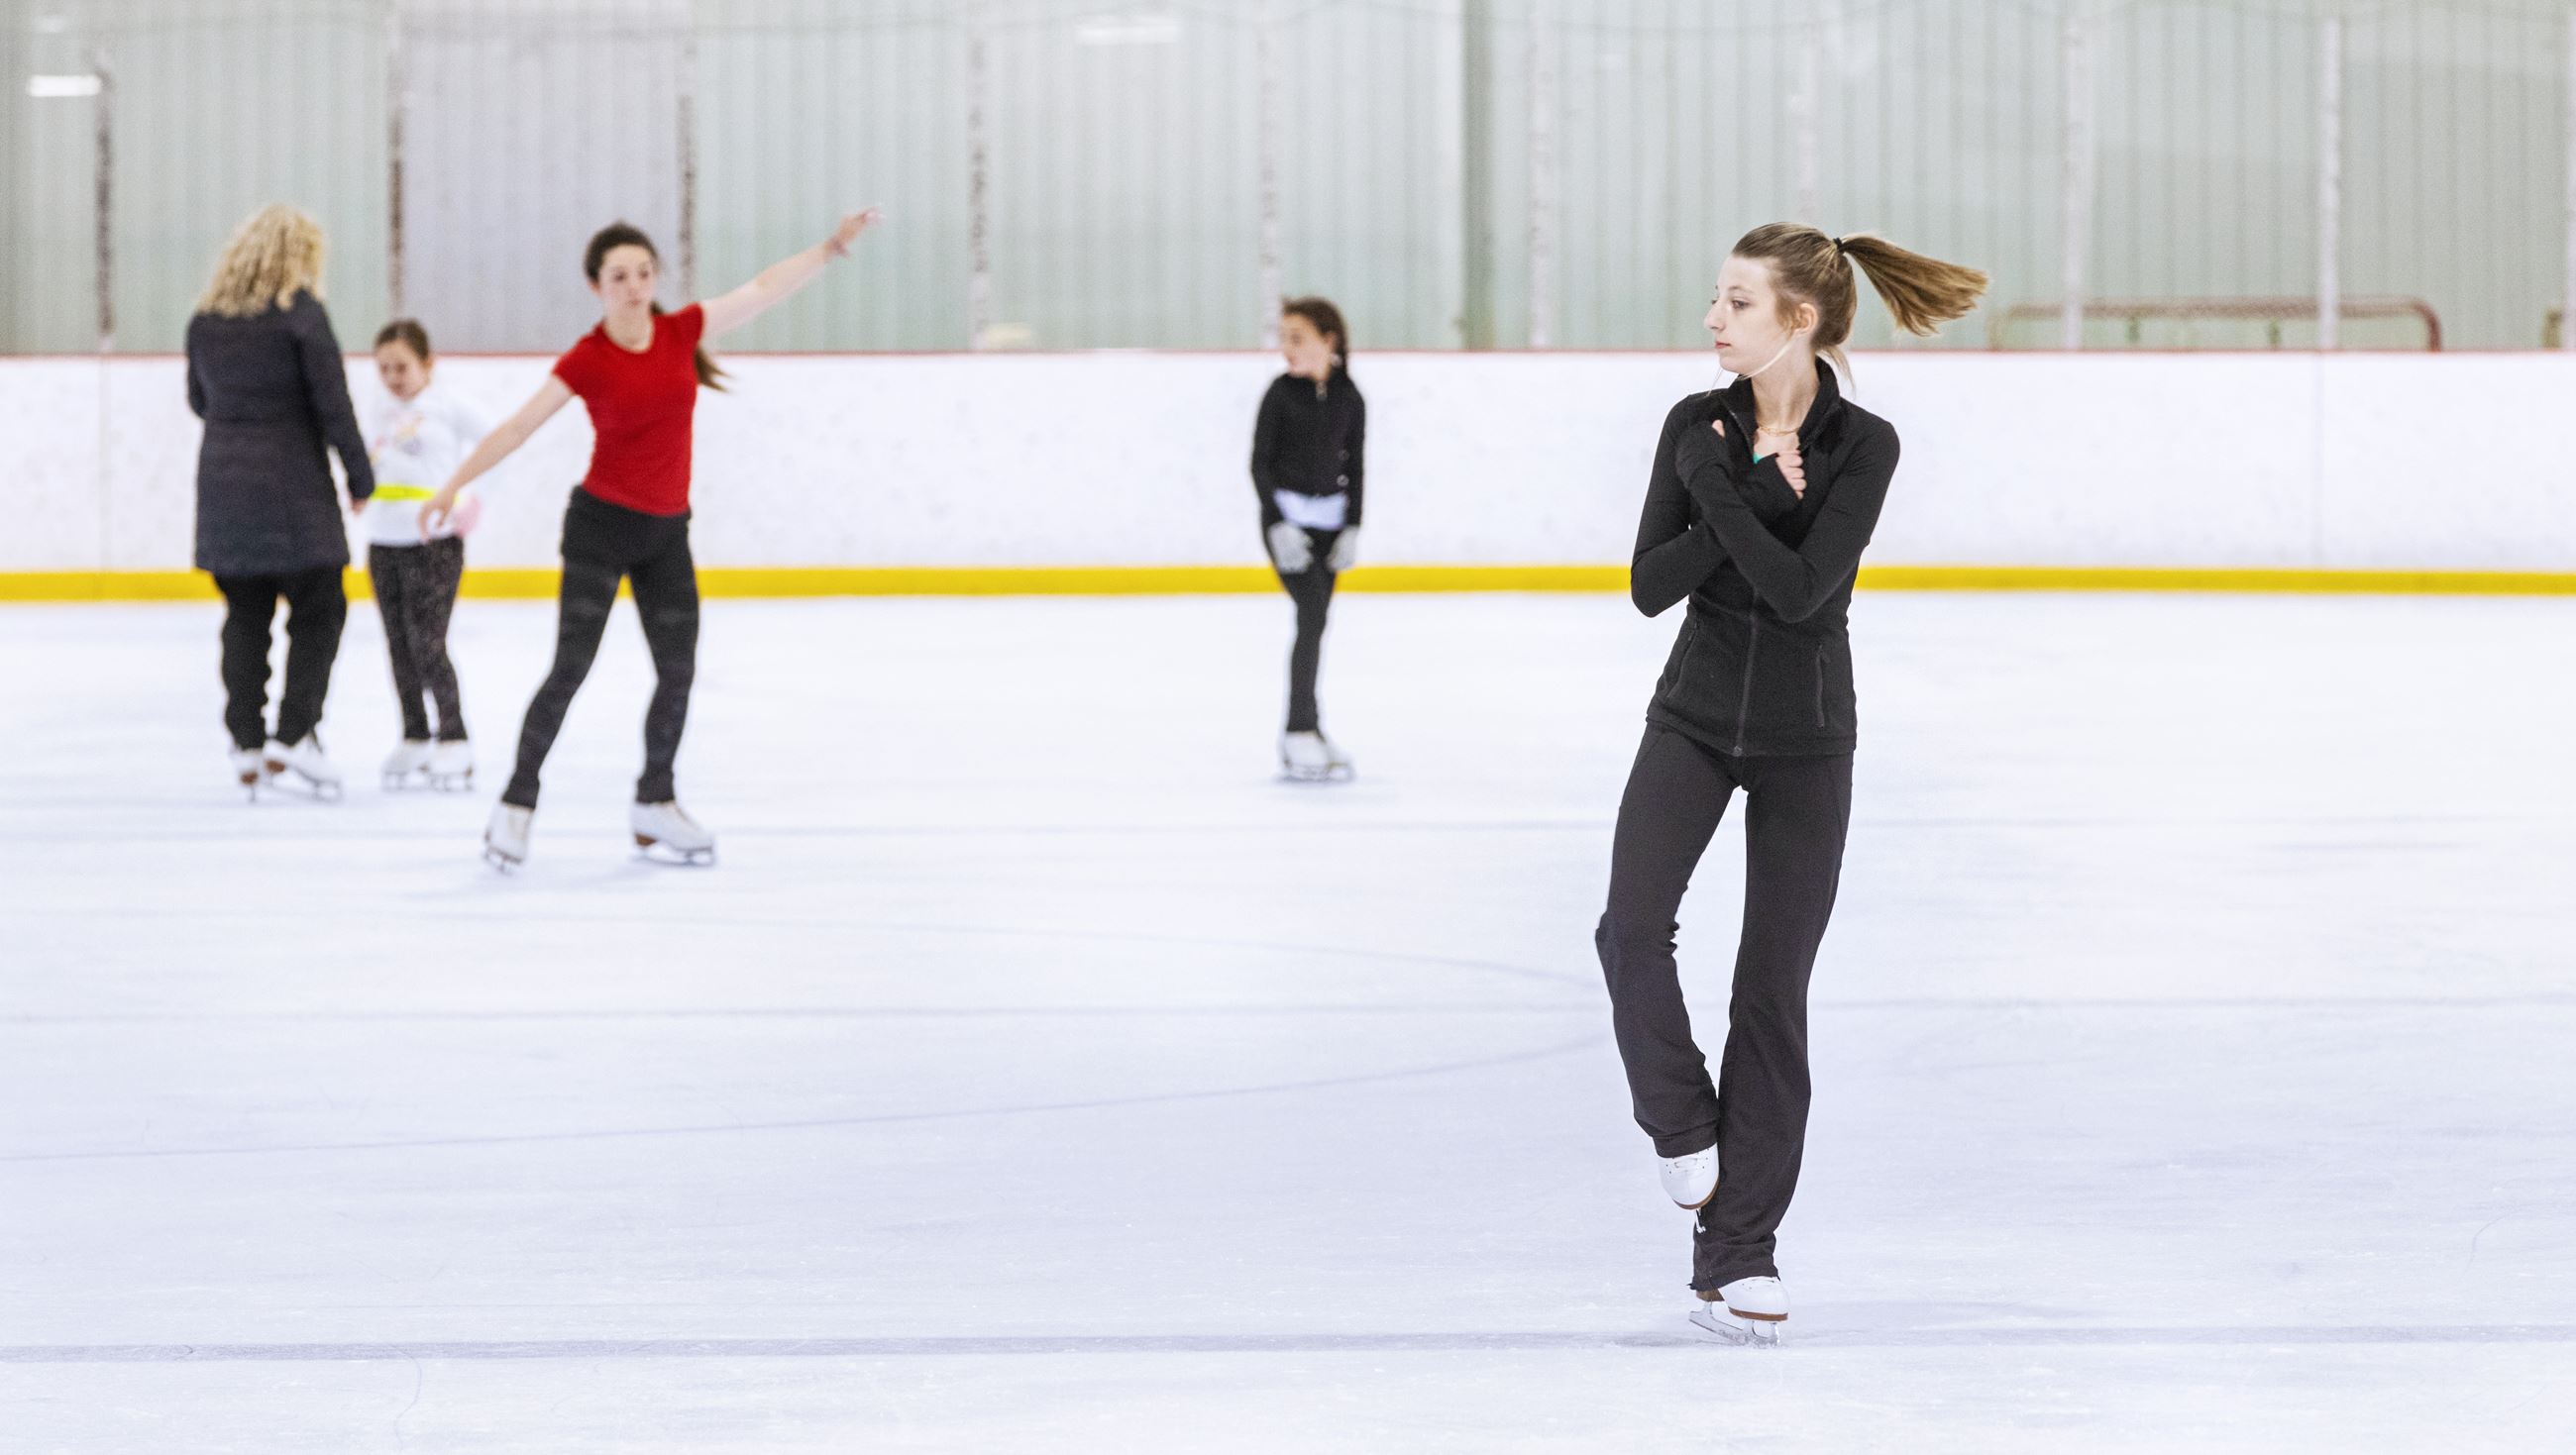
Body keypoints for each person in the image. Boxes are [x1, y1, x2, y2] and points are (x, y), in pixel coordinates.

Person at [1595, 223, 1986, 1345]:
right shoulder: (1693, 425)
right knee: (1629, 929)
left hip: (1807, 737)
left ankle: (1739, 1253)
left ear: (1797, 319)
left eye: (1737, 302)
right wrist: (1743, 488)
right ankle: (1682, 1126)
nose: (1713, 319)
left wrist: (1728, 497)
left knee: (1770, 991)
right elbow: (1648, 586)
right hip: (1692, 717)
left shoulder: (1864, 445)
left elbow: (1805, 591)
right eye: (1716, 299)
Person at [423, 210, 880, 869]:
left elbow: (762, 289)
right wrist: (451, 486)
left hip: (667, 533)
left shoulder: (681, 330)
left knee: (677, 671)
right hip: (599, 531)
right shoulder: (588, 358)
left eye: (643, 273)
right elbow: (518, 428)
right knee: (569, 670)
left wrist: (830, 248)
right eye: (619, 277)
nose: (634, 286)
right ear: (596, 287)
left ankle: (655, 801)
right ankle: (515, 806)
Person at [185, 203, 376, 799]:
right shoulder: (301, 316)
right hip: (293, 487)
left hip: (224, 488)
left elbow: (200, 401)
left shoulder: (205, 322)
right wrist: (360, 477)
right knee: (321, 607)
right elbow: (333, 403)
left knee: (245, 614)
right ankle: (294, 734)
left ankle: (246, 742)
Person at [362, 319, 488, 790]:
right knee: (398, 642)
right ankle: (415, 733)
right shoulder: (377, 408)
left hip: (434, 541)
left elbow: (500, 441)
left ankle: (454, 736)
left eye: (402, 367)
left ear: (428, 364)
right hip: (383, 540)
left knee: (428, 642)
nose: (392, 378)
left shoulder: (448, 405)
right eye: (384, 368)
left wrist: (475, 500)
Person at [1249, 296, 1365, 781]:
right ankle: (1298, 730)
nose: (1287, 348)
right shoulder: (1279, 394)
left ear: (1328, 340)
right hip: (1287, 526)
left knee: (1316, 622)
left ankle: (1310, 729)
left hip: (1329, 528)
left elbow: (1356, 468)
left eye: (1297, 338)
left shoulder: (1349, 397)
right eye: (1283, 339)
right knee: (1312, 615)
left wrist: (1353, 526)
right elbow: (1259, 465)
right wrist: (1277, 524)